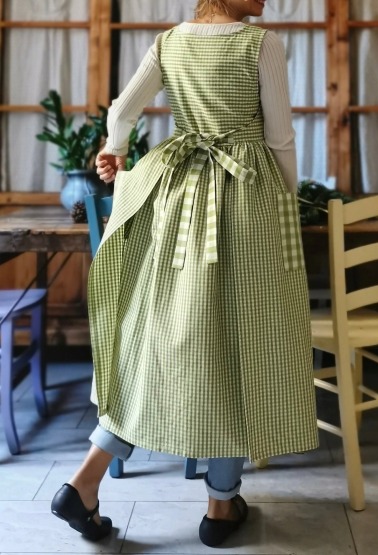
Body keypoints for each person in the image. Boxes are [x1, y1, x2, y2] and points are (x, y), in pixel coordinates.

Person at [51, 0, 318, 547]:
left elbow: (122, 110)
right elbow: (280, 137)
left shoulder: (170, 41)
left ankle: (85, 481)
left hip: (175, 199)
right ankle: (220, 505)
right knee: (239, 344)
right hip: (245, 200)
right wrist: (285, 204)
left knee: (158, 339)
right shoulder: (260, 43)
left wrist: (114, 149)